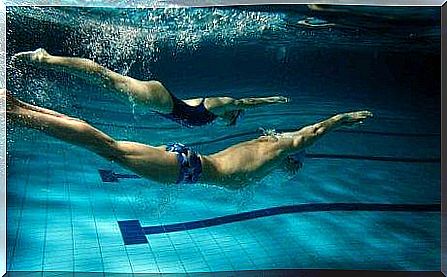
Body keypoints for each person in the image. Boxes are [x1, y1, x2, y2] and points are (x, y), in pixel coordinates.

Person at [5, 89, 373, 189]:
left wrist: (286, 163)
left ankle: (20, 107)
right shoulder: (284, 147)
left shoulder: (268, 147)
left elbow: (271, 156)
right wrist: (343, 120)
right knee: (108, 148)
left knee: (109, 147)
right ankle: (16, 112)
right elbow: (315, 132)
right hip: (187, 169)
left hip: (188, 161)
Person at [13, 48, 289, 127]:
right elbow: (244, 102)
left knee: (108, 82)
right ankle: (45, 58)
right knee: (107, 79)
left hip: (160, 101)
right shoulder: (222, 104)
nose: (233, 117)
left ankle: (48, 60)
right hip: (160, 100)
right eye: (235, 116)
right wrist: (272, 100)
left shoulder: (213, 114)